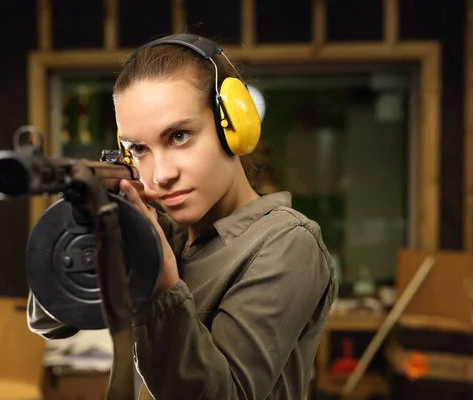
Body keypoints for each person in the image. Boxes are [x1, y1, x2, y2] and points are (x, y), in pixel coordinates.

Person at [28, 34, 338, 400]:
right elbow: (50, 320)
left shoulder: (286, 243)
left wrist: (162, 285)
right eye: (138, 149)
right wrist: (81, 226)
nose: (160, 174)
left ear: (233, 126)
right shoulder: (162, 233)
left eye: (178, 136)